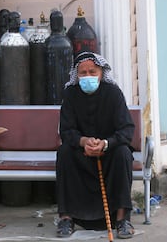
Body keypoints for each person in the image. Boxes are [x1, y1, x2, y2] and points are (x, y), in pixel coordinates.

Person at [56, 52, 135, 239]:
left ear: (101, 72)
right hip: (80, 152)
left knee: (123, 153)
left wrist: (106, 144)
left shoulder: (113, 93)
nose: (88, 76)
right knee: (64, 153)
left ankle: (122, 219)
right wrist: (83, 142)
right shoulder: (70, 94)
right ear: (77, 75)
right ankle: (66, 218)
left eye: (92, 71)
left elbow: (126, 130)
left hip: (109, 151)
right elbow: (66, 131)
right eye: (83, 73)